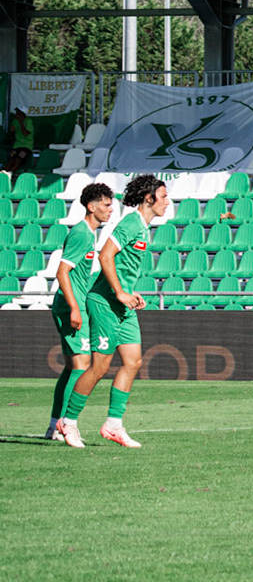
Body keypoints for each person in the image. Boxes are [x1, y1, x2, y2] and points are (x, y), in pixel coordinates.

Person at [54, 173, 169, 448]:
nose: (167, 202)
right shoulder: (130, 223)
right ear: (149, 198)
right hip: (104, 303)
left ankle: (113, 425)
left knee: (133, 362)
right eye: (163, 197)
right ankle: (67, 422)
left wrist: (130, 293)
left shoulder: (142, 227)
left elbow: (122, 267)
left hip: (123, 306)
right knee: (99, 366)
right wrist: (118, 291)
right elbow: (106, 255)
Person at [45, 181, 115, 440]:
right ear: (91, 206)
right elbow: (62, 272)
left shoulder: (89, 234)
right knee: (83, 364)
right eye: (106, 205)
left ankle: (55, 425)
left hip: (73, 303)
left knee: (72, 366)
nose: (110, 210)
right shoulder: (82, 233)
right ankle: (65, 424)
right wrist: (75, 308)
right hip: (70, 305)